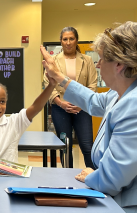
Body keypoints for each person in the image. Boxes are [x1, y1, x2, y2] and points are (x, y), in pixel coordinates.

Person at [42, 22, 137, 213]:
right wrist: (60, 78)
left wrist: (92, 175)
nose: (98, 64)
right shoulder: (129, 89)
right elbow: (95, 102)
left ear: (119, 64)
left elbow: (111, 178)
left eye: (102, 59)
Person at [43, 27, 97, 168]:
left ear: (76, 40)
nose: (68, 42)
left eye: (71, 39)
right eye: (65, 39)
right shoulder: (53, 60)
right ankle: (69, 181)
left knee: (87, 146)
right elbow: (47, 84)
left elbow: (92, 85)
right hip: (60, 108)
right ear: (61, 41)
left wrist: (82, 103)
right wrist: (60, 103)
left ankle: (93, 176)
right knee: (65, 147)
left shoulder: (87, 60)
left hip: (82, 108)